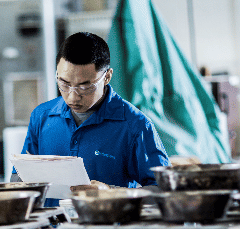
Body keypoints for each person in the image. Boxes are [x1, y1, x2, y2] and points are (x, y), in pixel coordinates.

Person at [12, 31, 170, 206]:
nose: (72, 97)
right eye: (64, 83)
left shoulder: (134, 126)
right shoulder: (42, 116)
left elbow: (165, 192)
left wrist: (112, 194)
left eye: (84, 87)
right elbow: (18, 179)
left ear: (107, 76)